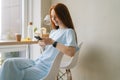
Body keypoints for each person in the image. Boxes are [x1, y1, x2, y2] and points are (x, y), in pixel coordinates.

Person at [0, 3, 78, 80]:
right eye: (52, 17)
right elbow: (49, 52)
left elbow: (71, 52)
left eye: (56, 16)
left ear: (63, 15)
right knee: (8, 63)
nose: (53, 19)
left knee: (19, 73)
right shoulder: (53, 32)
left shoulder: (69, 32)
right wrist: (44, 46)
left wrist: (52, 42)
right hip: (36, 61)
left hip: (45, 68)